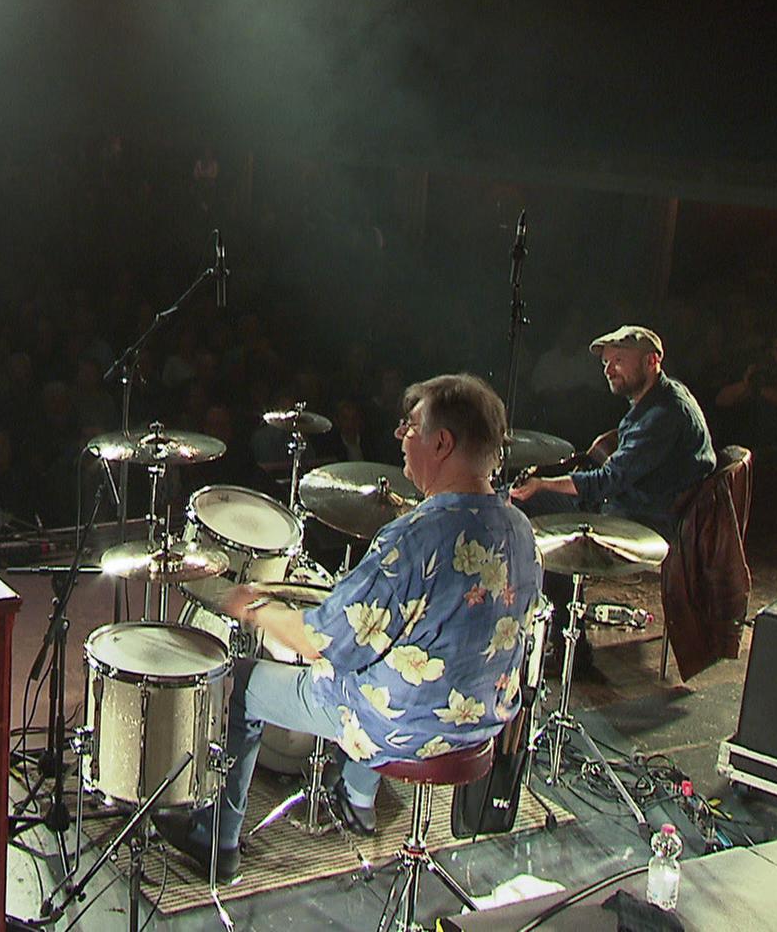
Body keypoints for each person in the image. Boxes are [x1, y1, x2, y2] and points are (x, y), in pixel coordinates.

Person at [155, 374, 542, 882]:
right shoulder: (520, 528)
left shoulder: (415, 537)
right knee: (405, 658)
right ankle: (358, 795)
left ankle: (219, 842)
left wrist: (253, 606)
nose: (401, 436)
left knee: (246, 681)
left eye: (411, 427)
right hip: (483, 723)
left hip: (403, 728)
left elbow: (324, 643)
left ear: (442, 442)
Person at [510, 326, 716, 539]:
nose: (608, 371)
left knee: (519, 502)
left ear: (651, 361)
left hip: (642, 520)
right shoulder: (665, 393)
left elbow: (607, 482)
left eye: (618, 360)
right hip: (634, 503)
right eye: (606, 363)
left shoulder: (663, 415)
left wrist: (543, 483)